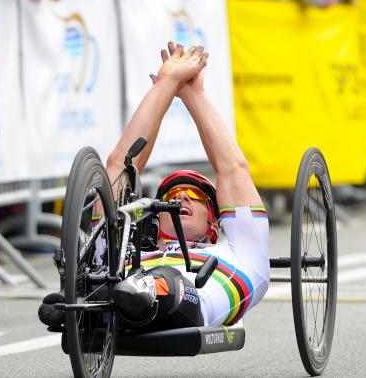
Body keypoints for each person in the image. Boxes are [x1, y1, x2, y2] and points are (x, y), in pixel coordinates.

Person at [39, 42, 270, 329]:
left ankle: (140, 291)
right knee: (112, 203)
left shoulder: (241, 252)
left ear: (214, 222)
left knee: (164, 284)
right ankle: (84, 301)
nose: (182, 197)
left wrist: (193, 94)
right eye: (172, 195)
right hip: (120, 285)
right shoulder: (123, 249)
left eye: (195, 195)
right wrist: (167, 83)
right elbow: (119, 166)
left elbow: (232, 169)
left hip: (183, 296)